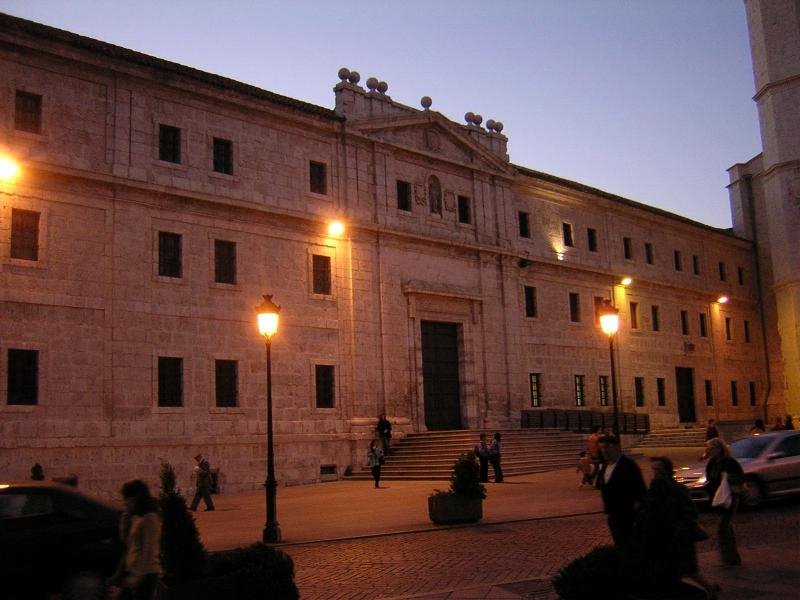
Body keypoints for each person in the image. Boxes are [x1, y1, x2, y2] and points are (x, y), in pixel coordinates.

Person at [630, 456, 719, 599]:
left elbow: (690, 511)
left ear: (666, 470)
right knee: (682, 569)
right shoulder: (655, 487)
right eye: (653, 469)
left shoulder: (676, 488)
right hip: (666, 535)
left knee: (687, 568)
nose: (655, 472)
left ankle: (709, 589)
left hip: (679, 534)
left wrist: (680, 527)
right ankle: (708, 587)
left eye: (658, 469)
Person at [109, 479, 162, 600]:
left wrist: (136, 576)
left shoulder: (150, 518)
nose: (126, 502)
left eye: (128, 499)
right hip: (133, 569)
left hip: (146, 573)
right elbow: (127, 542)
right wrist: (124, 519)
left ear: (136, 498)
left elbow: (148, 549)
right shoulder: (137, 516)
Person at [595, 434, 646, 546]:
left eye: (607, 447)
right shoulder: (604, 466)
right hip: (613, 515)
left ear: (617, 447)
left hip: (628, 516)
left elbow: (640, 490)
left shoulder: (628, 465)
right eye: (601, 448)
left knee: (630, 545)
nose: (604, 451)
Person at [705, 437, 744, 566]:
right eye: (708, 448)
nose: (709, 451)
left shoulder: (730, 463)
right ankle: (733, 558)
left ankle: (728, 559)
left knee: (722, 528)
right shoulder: (711, 463)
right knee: (727, 529)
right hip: (718, 500)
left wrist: (728, 480)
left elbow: (738, 479)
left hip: (730, 499)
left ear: (720, 449)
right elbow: (710, 479)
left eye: (712, 448)